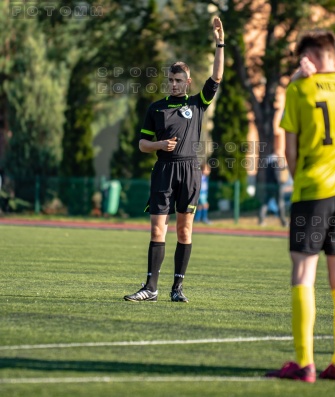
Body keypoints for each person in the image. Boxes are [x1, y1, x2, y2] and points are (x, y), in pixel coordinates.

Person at [266, 29, 335, 383]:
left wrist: (299, 178)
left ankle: (305, 363)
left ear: (305, 59)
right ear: (333, 57)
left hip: (312, 191)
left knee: (304, 274)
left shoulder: (299, 89)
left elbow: (288, 148)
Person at [123, 17, 224, 303]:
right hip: (164, 170)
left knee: (184, 229)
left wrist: (220, 41)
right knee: (157, 228)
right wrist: (159, 144)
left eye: (179, 81)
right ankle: (150, 288)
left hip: (190, 170)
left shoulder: (197, 103)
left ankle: (177, 288)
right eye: (171, 80)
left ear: (188, 82)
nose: (174, 84)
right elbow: (142, 144)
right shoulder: (156, 108)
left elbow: (217, 76)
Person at [258, 153, 288, 227]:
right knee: (280, 204)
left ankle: (261, 220)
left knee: (265, 203)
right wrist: (280, 183)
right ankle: (283, 222)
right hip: (276, 186)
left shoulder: (267, 166)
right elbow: (277, 176)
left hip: (269, 186)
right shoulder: (274, 165)